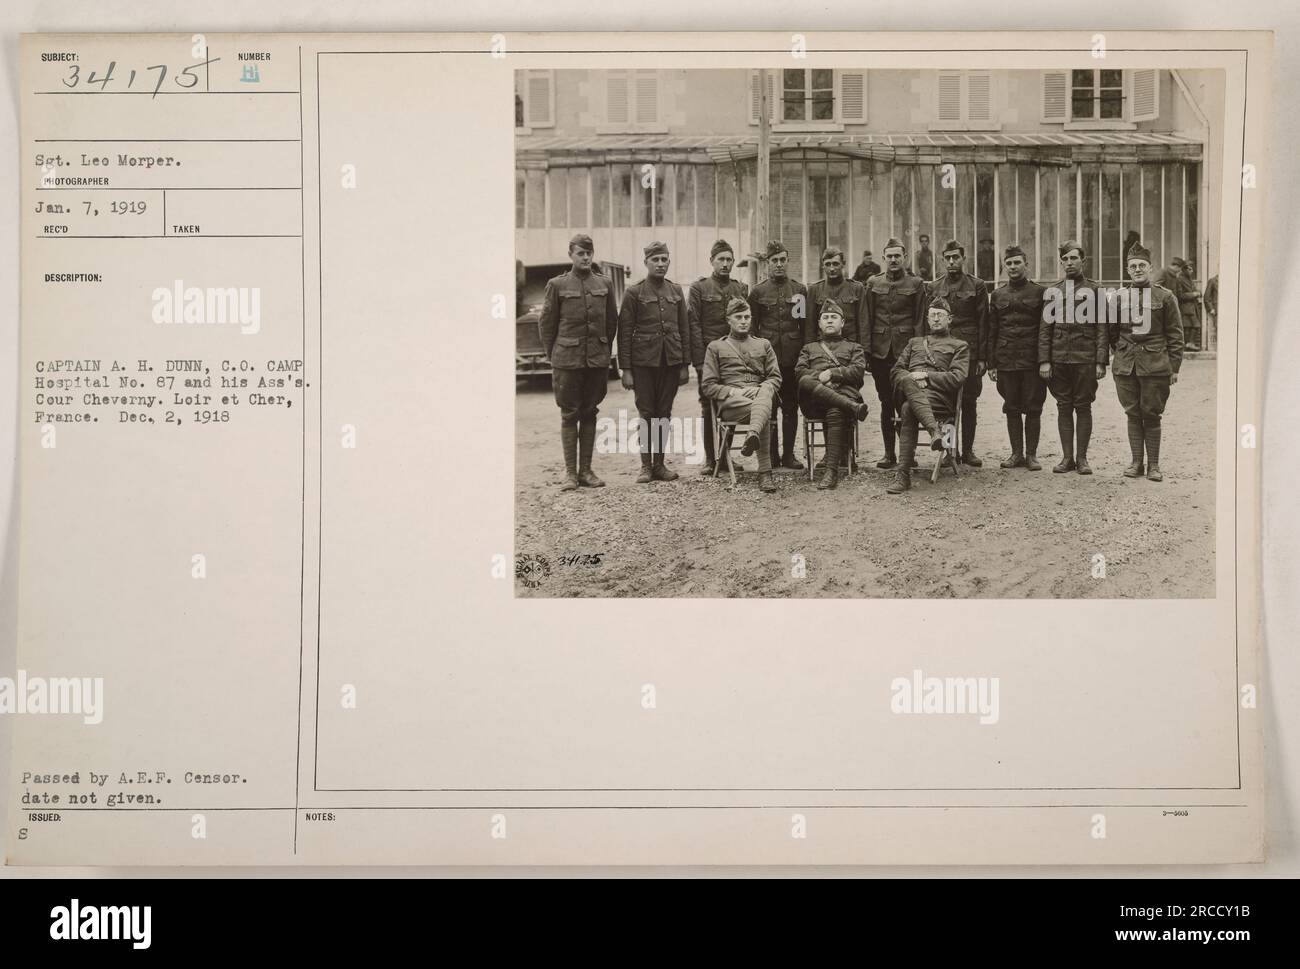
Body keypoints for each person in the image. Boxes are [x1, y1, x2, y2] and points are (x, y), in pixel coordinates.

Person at [537, 234, 619, 491]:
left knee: (590, 411)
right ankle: (570, 474)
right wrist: (554, 355)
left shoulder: (604, 284)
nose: (585, 258)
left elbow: (611, 322)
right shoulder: (557, 285)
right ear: (571, 254)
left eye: (589, 253)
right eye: (580, 253)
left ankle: (586, 471)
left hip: (595, 360)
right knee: (569, 414)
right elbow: (547, 323)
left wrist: (603, 350)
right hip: (567, 360)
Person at [617, 240, 691, 484]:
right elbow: (625, 332)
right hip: (643, 364)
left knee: (664, 413)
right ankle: (646, 466)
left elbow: (684, 328)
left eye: (664, 259)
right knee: (647, 413)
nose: (660, 264)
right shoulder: (634, 292)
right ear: (646, 262)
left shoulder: (676, 291)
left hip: (670, 362)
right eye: (655, 260)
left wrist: (684, 364)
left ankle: (660, 464)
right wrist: (626, 369)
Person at [1108, 243, 1183, 482]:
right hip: (1126, 365)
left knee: (1151, 414)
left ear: (1150, 268)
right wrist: (1121, 352)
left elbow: (1175, 335)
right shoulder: (1118, 298)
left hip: (1155, 365)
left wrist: (1174, 367)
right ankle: (1136, 462)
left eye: (1142, 265)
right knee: (1132, 413)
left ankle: (1154, 466)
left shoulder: (1165, 296)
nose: (1137, 269)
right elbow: (1111, 332)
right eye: (1133, 266)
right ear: (1127, 271)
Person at [885, 298, 970, 494]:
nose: (936, 319)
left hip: (939, 399)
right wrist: (911, 379)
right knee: (906, 382)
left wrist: (926, 376)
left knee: (908, 408)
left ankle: (903, 475)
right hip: (911, 393)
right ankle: (935, 432)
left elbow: (957, 378)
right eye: (932, 315)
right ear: (927, 319)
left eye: (940, 315)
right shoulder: (914, 343)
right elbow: (896, 371)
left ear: (950, 319)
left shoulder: (959, 345)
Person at [1039, 240, 1108, 475]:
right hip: (1059, 358)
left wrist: (1100, 361)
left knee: (1084, 406)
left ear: (1083, 260)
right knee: (1063, 406)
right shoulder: (1053, 291)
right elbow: (1045, 328)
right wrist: (1045, 360)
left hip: (1085, 358)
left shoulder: (1096, 290)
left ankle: (1083, 458)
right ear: (1061, 263)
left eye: (1073, 258)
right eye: (1065, 259)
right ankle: (1067, 458)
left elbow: (1102, 327)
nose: (1069, 263)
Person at [700, 297, 781, 493]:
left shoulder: (763, 344)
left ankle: (753, 434)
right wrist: (735, 391)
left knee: (767, 391)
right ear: (728, 319)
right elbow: (708, 386)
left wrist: (761, 387)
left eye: (747, 317)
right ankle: (765, 474)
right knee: (763, 407)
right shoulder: (716, 347)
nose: (744, 321)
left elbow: (775, 378)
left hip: (759, 396)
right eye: (739, 317)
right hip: (733, 403)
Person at [864, 238, 927, 469]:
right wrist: (868, 352)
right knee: (885, 402)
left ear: (905, 258)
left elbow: (920, 320)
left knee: (907, 402)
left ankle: (907, 454)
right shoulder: (873, 282)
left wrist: (918, 353)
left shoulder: (916, 283)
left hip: (906, 353)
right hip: (881, 352)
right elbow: (867, 319)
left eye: (897, 256)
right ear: (883, 258)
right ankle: (889, 454)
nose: (893, 260)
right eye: (889, 256)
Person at [925, 240, 989, 466]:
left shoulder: (977, 285)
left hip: (969, 354)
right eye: (948, 258)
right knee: (948, 402)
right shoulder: (934, 287)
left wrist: (982, 357)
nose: (952, 262)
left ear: (963, 259)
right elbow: (930, 325)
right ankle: (950, 451)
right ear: (942, 260)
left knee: (970, 401)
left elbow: (983, 323)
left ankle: (969, 451)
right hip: (943, 355)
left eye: (956, 257)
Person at [795, 299, 870, 490]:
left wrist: (834, 374)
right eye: (825, 318)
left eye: (834, 318)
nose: (829, 321)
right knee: (805, 382)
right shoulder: (809, 348)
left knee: (835, 410)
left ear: (842, 323)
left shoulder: (854, 347)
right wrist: (821, 377)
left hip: (842, 396)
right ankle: (852, 407)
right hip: (815, 402)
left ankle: (831, 472)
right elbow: (800, 372)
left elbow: (858, 371)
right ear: (819, 323)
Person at [688, 239, 749, 475]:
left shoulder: (740, 289)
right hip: (708, 357)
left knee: (730, 404)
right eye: (720, 259)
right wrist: (699, 360)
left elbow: (745, 326)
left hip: (733, 358)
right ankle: (710, 459)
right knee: (707, 406)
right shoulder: (699, 288)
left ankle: (724, 457)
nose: (725, 264)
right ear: (711, 261)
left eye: (729, 260)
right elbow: (693, 325)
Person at [749, 240, 810, 469]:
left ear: (787, 261)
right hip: (767, 360)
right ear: (767, 263)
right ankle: (771, 455)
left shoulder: (798, 291)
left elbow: (803, 327)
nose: (778, 264)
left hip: (792, 359)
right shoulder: (757, 292)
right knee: (769, 407)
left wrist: (804, 358)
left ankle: (789, 455)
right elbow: (753, 329)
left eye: (782, 260)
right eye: (774, 261)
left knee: (791, 407)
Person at [987, 244, 1048, 470]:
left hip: (1031, 360)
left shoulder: (1040, 293)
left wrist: (1044, 360)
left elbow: (1045, 329)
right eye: (1009, 263)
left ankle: (1031, 455)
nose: (1013, 267)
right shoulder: (997, 294)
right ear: (1005, 266)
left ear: (1026, 264)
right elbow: (993, 329)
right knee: (1011, 406)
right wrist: (992, 363)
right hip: (1006, 359)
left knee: (1033, 407)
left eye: (1017, 263)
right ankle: (1016, 454)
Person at [807, 247, 866, 345]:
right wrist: (810, 352)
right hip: (823, 349)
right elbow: (810, 327)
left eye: (835, 264)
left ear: (843, 264)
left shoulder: (856, 288)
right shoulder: (814, 289)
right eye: (828, 264)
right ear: (823, 266)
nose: (832, 268)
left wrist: (865, 352)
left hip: (851, 348)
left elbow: (864, 324)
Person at [1203, 273, 1219, 350]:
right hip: (1217, 310)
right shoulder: (1212, 281)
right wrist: (1211, 309)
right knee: (1219, 329)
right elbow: (1206, 297)